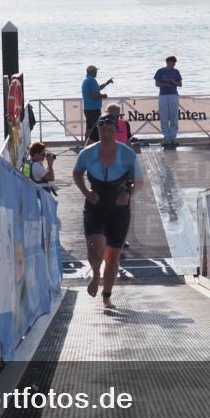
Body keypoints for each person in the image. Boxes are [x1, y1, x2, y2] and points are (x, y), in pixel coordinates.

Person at [72, 115, 143, 309]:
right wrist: (86, 191)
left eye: (110, 130)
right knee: (96, 246)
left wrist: (128, 193)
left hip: (119, 208)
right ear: (98, 131)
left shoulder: (127, 154)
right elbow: (77, 174)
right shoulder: (87, 153)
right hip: (95, 205)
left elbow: (140, 180)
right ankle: (95, 275)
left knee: (113, 256)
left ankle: (107, 296)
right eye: (102, 130)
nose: (106, 134)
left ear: (115, 131)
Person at [154, 56, 182, 147]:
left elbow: (180, 84)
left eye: (174, 63)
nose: (174, 64)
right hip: (163, 95)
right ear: (168, 62)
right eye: (172, 62)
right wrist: (166, 84)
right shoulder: (160, 71)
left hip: (173, 95)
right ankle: (166, 137)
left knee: (174, 116)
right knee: (164, 116)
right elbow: (157, 84)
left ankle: (173, 137)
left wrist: (173, 81)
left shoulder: (176, 72)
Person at [82, 65, 111, 145]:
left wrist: (106, 83)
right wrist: (103, 95)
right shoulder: (92, 80)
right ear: (92, 72)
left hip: (87, 108)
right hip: (94, 109)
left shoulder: (86, 80)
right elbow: (95, 95)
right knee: (97, 127)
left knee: (89, 128)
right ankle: (96, 145)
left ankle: (86, 145)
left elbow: (97, 88)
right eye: (95, 71)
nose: (96, 73)